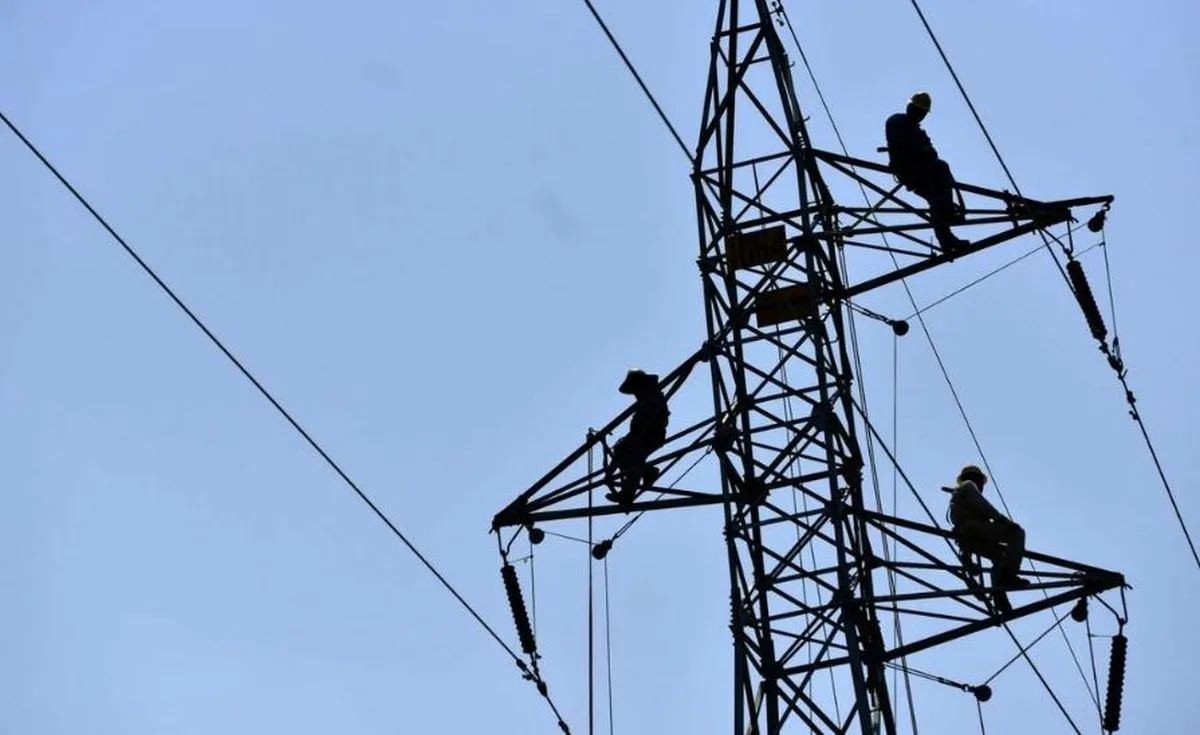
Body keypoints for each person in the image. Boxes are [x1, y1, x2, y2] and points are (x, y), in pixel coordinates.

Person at [885, 92, 969, 251]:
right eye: (918, 112)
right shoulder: (897, 121)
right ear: (910, 108)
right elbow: (905, 146)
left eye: (922, 114)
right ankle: (947, 222)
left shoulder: (918, 131)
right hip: (909, 171)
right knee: (940, 177)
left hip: (923, 173)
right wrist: (922, 153)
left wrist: (925, 154)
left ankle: (947, 233)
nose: (920, 116)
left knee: (938, 197)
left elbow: (931, 153)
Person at [944, 465, 1030, 598]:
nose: (982, 486)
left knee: (1000, 558)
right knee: (1017, 532)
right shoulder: (968, 485)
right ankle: (1009, 576)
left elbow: (963, 531)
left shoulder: (958, 497)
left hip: (968, 537)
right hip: (975, 529)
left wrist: (967, 559)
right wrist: (1002, 519)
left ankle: (999, 596)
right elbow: (982, 505)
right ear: (975, 478)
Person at [605, 369, 669, 505]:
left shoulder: (653, 399)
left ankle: (628, 493)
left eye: (636, 390)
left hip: (651, 435)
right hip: (642, 435)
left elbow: (648, 421)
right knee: (622, 453)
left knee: (632, 459)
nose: (635, 394)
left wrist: (633, 440)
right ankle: (645, 474)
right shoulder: (645, 402)